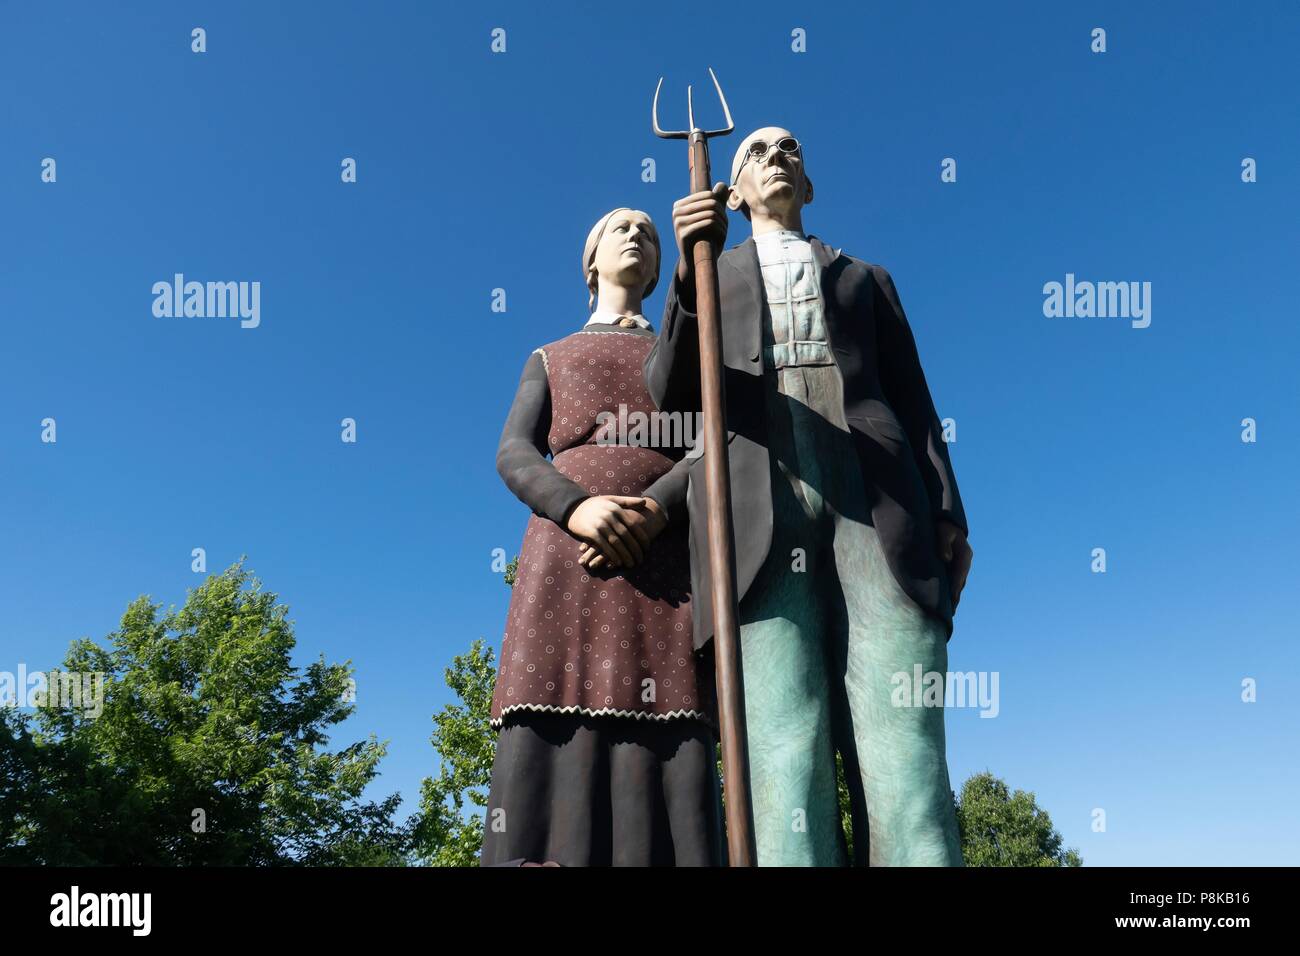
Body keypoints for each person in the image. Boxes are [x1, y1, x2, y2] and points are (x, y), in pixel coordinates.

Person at [645, 128, 973, 866]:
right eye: (756, 151)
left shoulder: (866, 277)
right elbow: (667, 395)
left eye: (790, 147)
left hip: (879, 505)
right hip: (758, 511)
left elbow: (916, 403)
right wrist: (685, 279)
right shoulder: (711, 274)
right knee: (781, 744)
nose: (777, 156)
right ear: (731, 192)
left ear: (811, 184)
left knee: (906, 744)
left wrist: (948, 512)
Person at [481, 207, 723, 867]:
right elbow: (514, 453)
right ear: (590, 261)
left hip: (666, 562)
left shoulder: (690, 356)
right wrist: (576, 508)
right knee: (547, 710)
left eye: (649, 230)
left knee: (671, 727)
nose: (638, 235)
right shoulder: (549, 356)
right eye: (621, 227)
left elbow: (712, 445)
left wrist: (657, 508)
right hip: (564, 560)